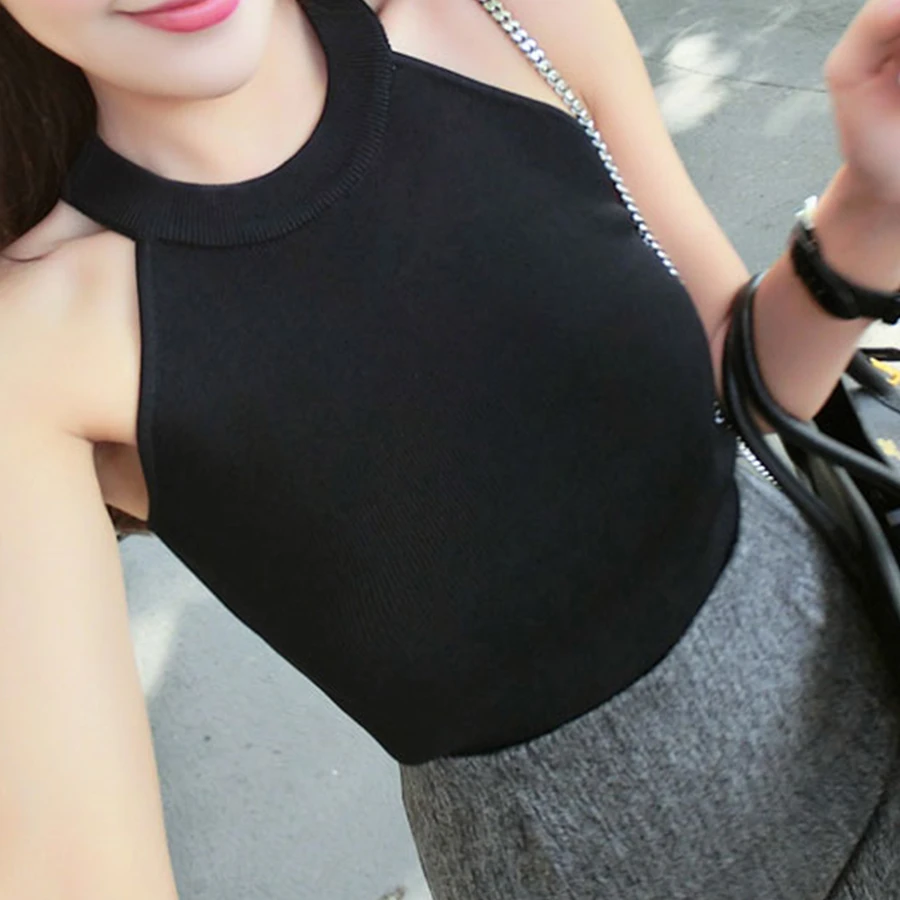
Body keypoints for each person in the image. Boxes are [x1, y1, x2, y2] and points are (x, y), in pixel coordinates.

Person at [1, 0, 899, 896]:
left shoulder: (509, 22)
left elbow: (736, 383)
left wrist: (873, 204)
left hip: (865, 676)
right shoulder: (40, 348)